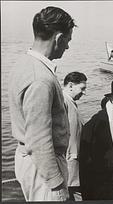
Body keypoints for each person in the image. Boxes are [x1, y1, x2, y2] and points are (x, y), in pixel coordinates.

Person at [8, 6, 76, 201]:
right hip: (44, 167)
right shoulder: (41, 78)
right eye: (68, 41)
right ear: (58, 38)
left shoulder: (23, 64)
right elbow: (39, 139)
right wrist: (56, 184)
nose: (67, 47)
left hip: (29, 159)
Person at [62, 72, 87, 201]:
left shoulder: (69, 102)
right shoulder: (63, 101)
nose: (84, 93)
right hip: (69, 161)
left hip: (73, 160)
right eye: (82, 88)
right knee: (74, 194)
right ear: (71, 85)